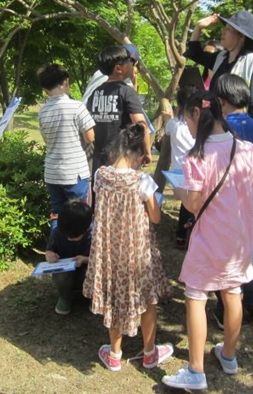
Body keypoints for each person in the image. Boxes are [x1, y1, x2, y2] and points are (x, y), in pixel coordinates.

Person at [162, 91, 253, 391]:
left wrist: (176, 187)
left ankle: (195, 370)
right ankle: (229, 355)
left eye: (185, 119)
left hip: (208, 240)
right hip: (239, 239)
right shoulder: (245, 148)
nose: (187, 127)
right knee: (233, 293)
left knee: (196, 296)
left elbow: (192, 204)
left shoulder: (196, 156)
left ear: (195, 113)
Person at [83, 123, 172, 372]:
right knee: (147, 300)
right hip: (137, 250)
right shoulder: (142, 180)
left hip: (109, 251)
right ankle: (150, 353)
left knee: (114, 299)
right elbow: (155, 218)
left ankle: (114, 354)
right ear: (139, 153)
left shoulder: (100, 175)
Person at [211, 74, 253, 328]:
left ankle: (224, 310)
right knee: (249, 253)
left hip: (227, 205)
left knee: (224, 257)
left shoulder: (220, 126)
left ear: (221, 101)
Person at [37, 64, 95, 228]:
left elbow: (47, 140)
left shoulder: (43, 112)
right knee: (81, 216)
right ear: (66, 82)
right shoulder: (77, 106)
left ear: (45, 89)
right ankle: (83, 252)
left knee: (57, 214)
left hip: (52, 173)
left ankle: (57, 251)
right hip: (75, 173)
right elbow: (90, 137)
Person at [184, 10, 253, 120]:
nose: (223, 31)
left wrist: (247, 132)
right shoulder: (221, 57)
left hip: (238, 130)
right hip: (216, 128)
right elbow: (195, 53)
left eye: (228, 29)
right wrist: (199, 27)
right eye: (225, 27)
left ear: (241, 36)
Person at [86, 45, 151, 177]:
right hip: (121, 160)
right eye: (129, 62)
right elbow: (141, 124)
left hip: (99, 162)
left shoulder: (95, 93)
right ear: (118, 68)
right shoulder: (126, 92)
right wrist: (147, 151)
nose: (132, 65)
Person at [162, 84, 196, 249]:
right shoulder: (198, 124)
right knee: (192, 205)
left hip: (178, 173)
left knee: (186, 205)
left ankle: (181, 237)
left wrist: (167, 115)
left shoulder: (174, 124)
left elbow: (167, 129)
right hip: (195, 172)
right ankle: (189, 236)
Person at [44, 199, 92, 315]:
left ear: (86, 228)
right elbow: (49, 250)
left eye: (76, 236)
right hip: (66, 272)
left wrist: (86, 260)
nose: (70, 238)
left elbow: (104, 259)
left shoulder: (95, 233)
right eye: (67, 235)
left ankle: (94, 295)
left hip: (88, 270)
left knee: (95, 269)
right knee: (61, 276)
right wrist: (49, 255)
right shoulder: (57, 233)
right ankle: (65, 296)